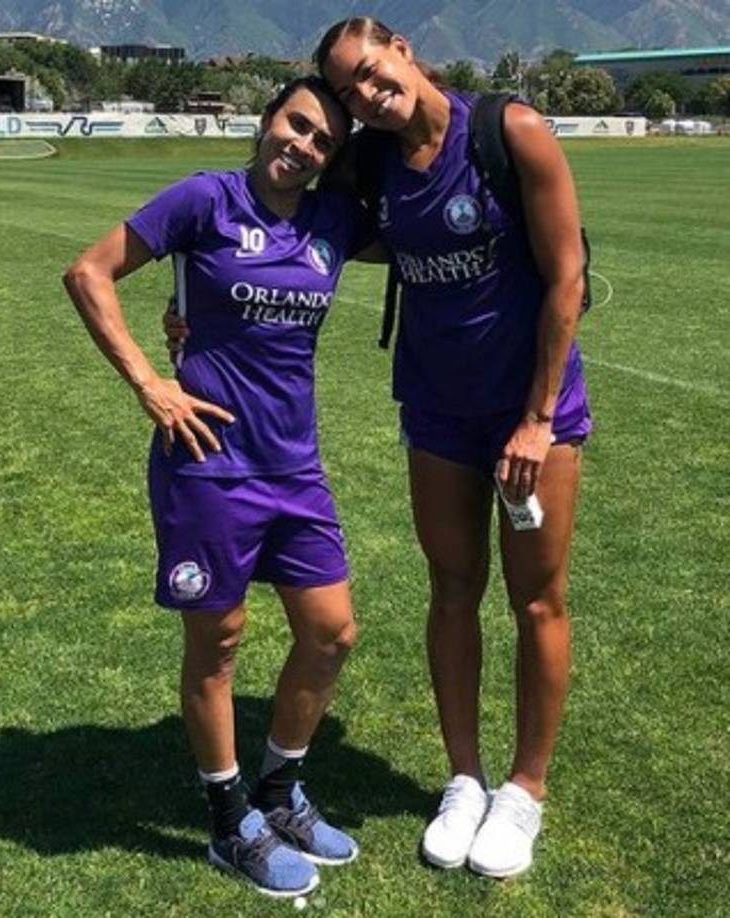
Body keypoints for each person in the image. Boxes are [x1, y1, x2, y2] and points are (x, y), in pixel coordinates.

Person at [63, 76, 377, 898]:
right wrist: (150, 384)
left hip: (295, 467)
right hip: (208, 465)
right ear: (268, 119)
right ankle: (227, 818)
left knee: (332, 632)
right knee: (220, 641)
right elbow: (89, 273)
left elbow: (416, 209)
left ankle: (279, 790)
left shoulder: (333, 221)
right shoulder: (205, 200)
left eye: (322, 142)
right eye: (296, 124)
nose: (302, 145)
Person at [313, 17, 593, 879]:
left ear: (401, 48)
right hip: (436, 414)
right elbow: (309, 229)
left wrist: (536, 418)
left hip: (530, 417)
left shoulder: (510, 133)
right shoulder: (375, 165)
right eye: (349, 91)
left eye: (369, 71)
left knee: (537, 598)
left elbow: (567, 276)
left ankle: (524, 792)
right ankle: (465, 780)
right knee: (451, 591)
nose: (366, 94)